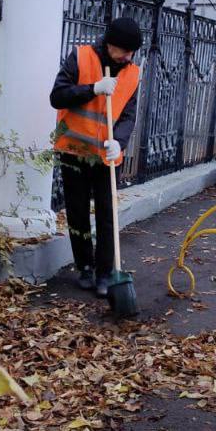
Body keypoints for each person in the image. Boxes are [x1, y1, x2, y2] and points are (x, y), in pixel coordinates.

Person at [49, 17, 144, 297]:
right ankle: (85, 267)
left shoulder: (132, 73)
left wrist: (119, 142)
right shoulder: (80, 58)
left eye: (132, 52)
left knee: (106, 215)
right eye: (125, 51)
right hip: (75, 151)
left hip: (106, 155)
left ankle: (105, 272)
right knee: (77, 212)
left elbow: (128, 115)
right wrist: (92, 89)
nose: (129, 57)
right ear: (111, 45)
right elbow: (57, 97)